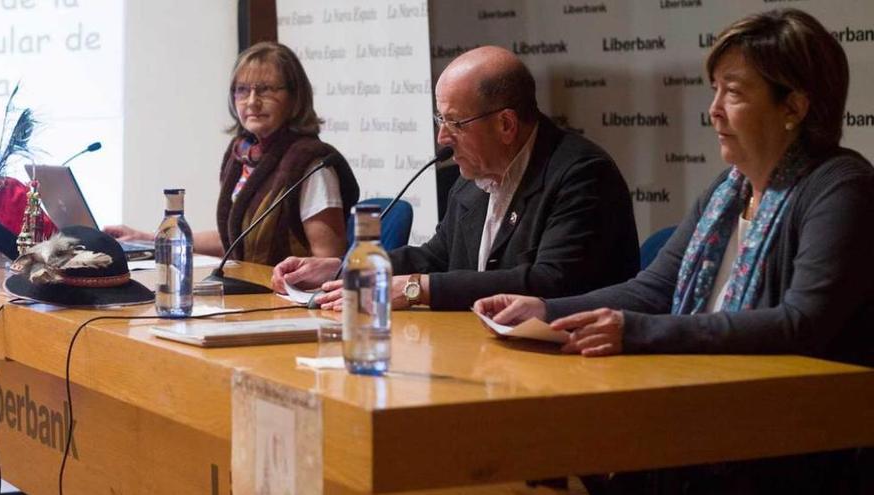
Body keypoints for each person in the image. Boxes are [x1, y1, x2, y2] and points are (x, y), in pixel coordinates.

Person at [475, 9, 872, 493]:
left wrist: (639, 333)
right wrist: (543, 311)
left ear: (795, 107)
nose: (714, 110)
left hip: (786, 445)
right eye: (714, 90)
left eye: (735, 91)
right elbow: (655, 287)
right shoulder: (728, 191)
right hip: (697, 413)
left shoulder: (841, 187)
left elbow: (800, 323)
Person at [272, 45, 639, 311]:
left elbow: (550, 283)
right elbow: (436, 256)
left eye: (455, 123)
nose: (442, 138)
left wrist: (417, 290)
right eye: (440, 120)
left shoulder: (581, 175)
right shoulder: (471, 179)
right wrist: (345, 267)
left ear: (506, 124)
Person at [106, 42, 359, 265]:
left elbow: (330, 262)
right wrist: (152, 240)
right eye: (242, 90)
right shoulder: (242, 155)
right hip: (248, 293)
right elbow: (235, 240)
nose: (251, 101)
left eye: (266, 89)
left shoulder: (311, 164)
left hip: (290, 303)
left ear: (295, 97)